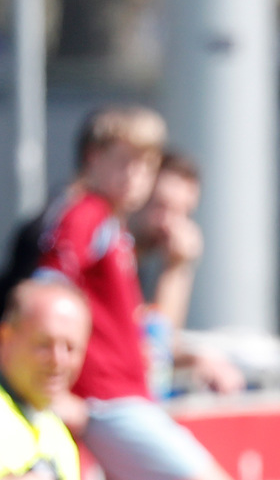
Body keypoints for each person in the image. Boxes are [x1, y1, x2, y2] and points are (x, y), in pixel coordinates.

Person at [31, 105, 233, 480]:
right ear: (93, 158)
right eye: (125, 162)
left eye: (145, 166)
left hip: (122, 398)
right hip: (108, 401)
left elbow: (144, 334)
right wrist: (56, 394)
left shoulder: (110, 224)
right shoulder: (85, 214)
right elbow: (45, 296)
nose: (135, 177)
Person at [127, 153, 243, 396]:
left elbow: (160, 346)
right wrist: (176, 270)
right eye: (161, 206)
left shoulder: (143, 260)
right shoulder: (108, 253)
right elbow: (153, 350)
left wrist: (196, 358)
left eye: (183, 212)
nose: (170, 224)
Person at [0, 280, 90, 480]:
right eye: (43, 345)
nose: (58, 361)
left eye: (70, 348)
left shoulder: (61, 439)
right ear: (5, 338)